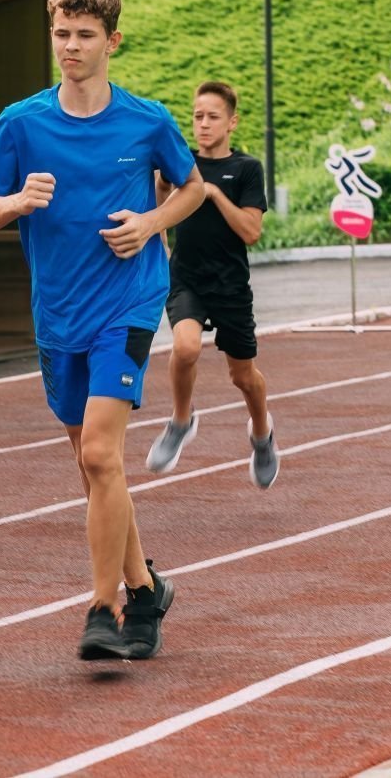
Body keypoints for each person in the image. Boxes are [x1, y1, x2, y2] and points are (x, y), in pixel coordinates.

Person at [0, 0, 205, 661]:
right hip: (58, 310)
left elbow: (191, 187)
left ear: (112, 41)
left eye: (84, 35)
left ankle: (105, 608)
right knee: (92, 463)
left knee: (101, 453)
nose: (70, 46)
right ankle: (146, 588)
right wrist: (17, 202)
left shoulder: (146, 120)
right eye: (61, 34)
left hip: (127, 304)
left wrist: (152, 221)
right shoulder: (21, 122)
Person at [145, 81, 276, 487]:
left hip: (230, 285)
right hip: (187, 278)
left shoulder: (247, 169)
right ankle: (181, 420)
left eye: (212, 117)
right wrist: (160, 227)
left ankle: (262, 434)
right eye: (198, 116)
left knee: (243, 376)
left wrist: (214, 194)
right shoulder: (181, 162)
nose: (203, 124)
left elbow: (251, 232)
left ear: (231, 122)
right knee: (185, 347)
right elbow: (159, 191)